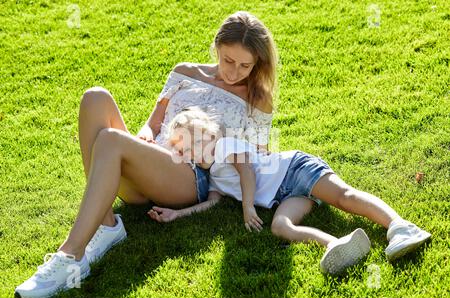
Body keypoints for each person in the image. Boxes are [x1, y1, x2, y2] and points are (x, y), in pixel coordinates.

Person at [15, 11, 277, 298]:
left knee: (111, 140)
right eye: (228, 60)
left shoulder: (258, 98)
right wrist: (146, 138)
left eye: (245, 65)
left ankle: (70, 256)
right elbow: (153, 124)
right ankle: (106, 224)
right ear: (217, 46)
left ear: (257, 64)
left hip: (189, 177)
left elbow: (257, 158)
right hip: (151, 161)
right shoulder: (185, 72)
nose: (234, 71)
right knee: (95, 97)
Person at [148, 108, 432, 275]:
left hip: (295, 169)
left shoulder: (226, 146)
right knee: (280, 226)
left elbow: (247, 172)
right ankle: (336, 244)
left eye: (194, 143)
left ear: (210, 135)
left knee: (344, 197)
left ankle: (400, 227)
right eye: (185, 151)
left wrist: (248, 207)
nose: (191, 153)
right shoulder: (212, 180)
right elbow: (211, 204)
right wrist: (178, 213)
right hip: (285, 196)